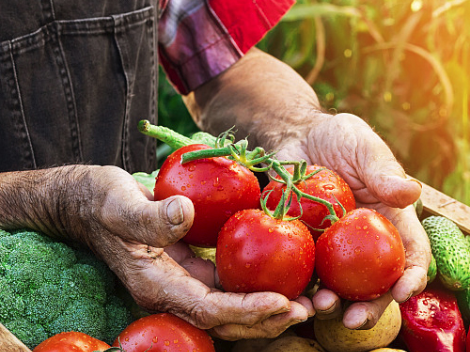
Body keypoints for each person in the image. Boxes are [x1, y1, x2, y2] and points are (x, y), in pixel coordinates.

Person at [0, 0, 431, 341]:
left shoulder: (272, 200)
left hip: (152, 256)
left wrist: (301, 127)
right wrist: (55, 199)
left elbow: (223, 63)